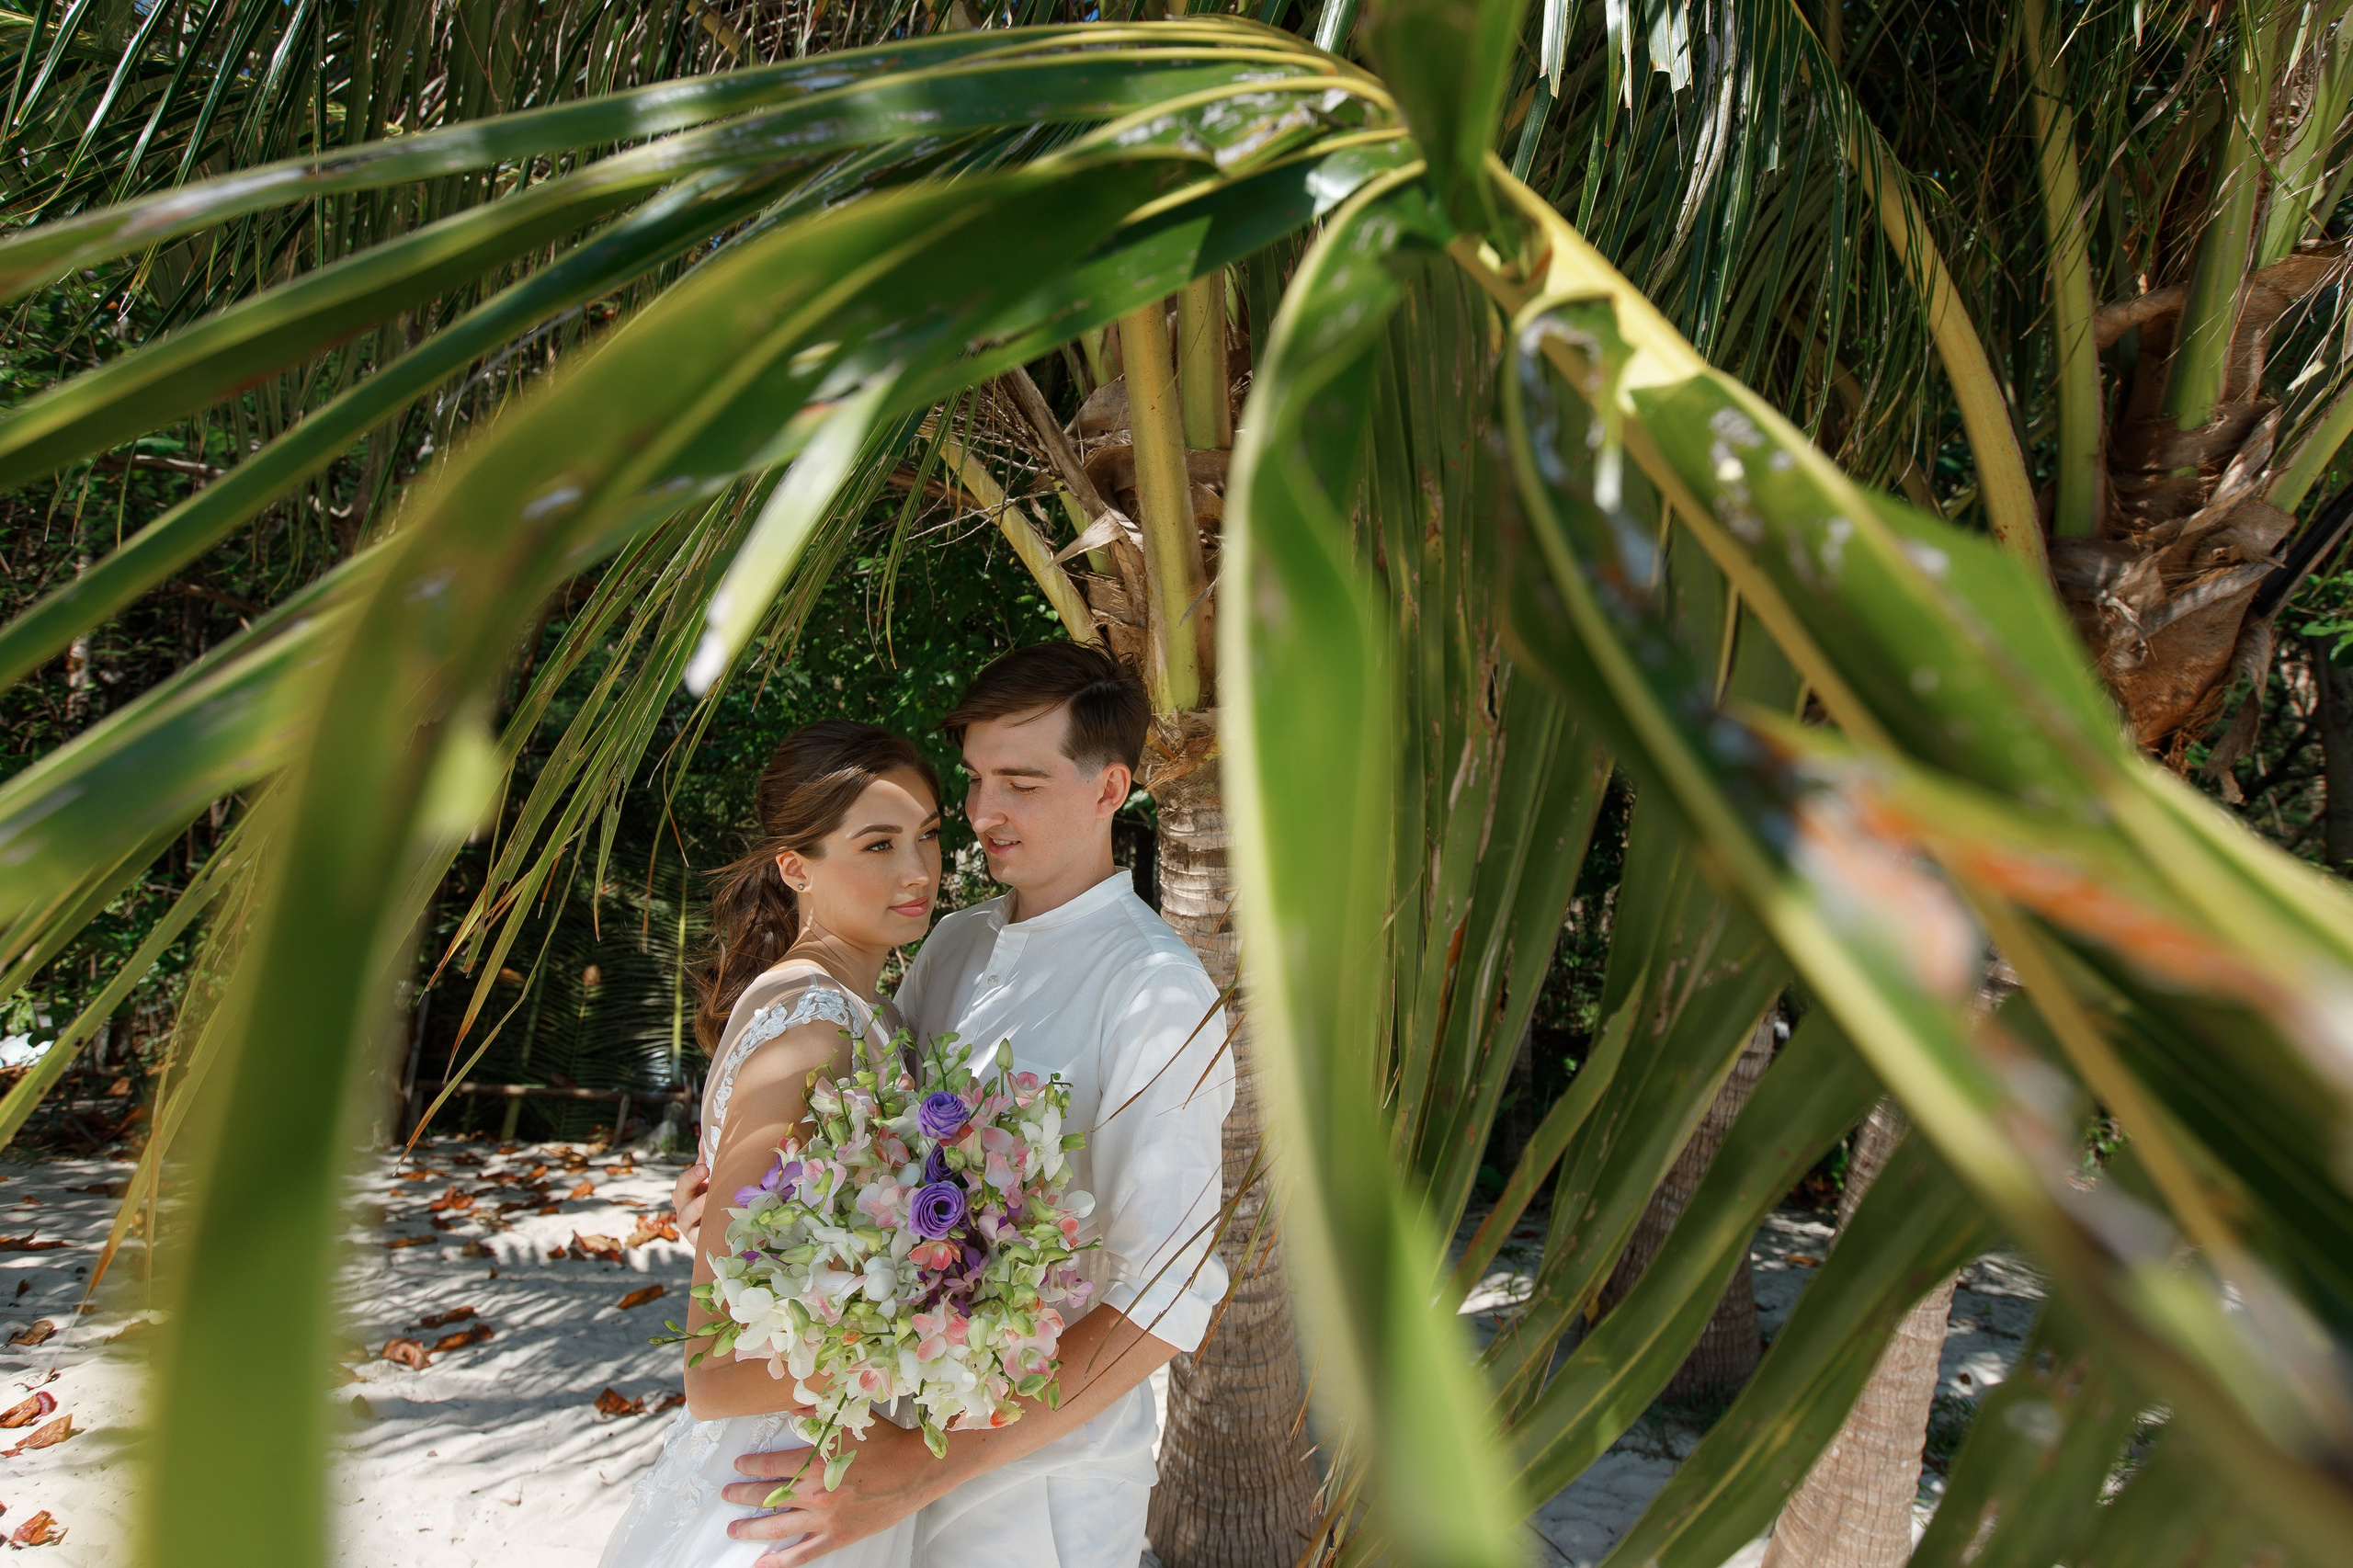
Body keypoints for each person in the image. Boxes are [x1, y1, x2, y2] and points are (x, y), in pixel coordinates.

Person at [666, 643, 1235, 1568]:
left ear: (1109, 788)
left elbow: (1163, 1301)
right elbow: (846, 1163)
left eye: (1018, 781)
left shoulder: (1157, 994)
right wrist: (739, 1226)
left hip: (1034, 1494)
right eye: (973, 780)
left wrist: (917, 1470)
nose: (981, 815)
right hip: (867, 1471)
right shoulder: (952, 946)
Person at [601, 721, 943, 1568]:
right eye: (877, 844)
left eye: (930, 836)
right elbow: (712, 1367)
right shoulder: (813, 1029)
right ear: (796, 867)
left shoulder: (869, 1014)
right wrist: (955, 1356)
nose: (918, 870)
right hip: (788, 1481)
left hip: (840, 1458)